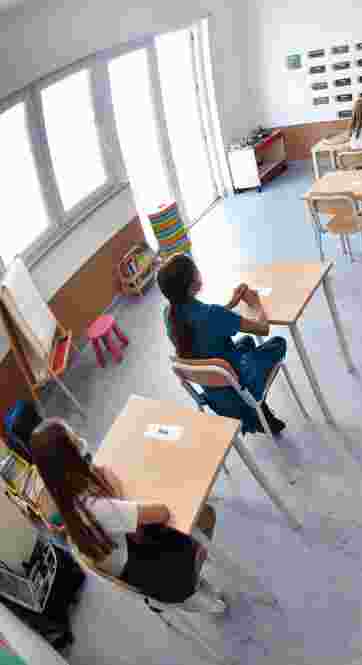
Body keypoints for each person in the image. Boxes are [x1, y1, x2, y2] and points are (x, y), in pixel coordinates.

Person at [31, 418, 225, 612]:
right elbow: (162, 512)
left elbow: (110, 495)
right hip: (160, 574)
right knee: (204, 515)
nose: (81, 441)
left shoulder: (64, 497)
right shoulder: (96, 507)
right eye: (75, 441)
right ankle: (197, 589)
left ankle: (195, 581)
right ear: (70, 458)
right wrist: (115, 489)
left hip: (131, 554)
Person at [158, 254, 287, 435]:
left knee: (247, 342)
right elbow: (263, 329)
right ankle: (258, 414)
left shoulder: (169, 314)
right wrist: (255, 302)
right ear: (191, 285)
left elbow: (207, 321)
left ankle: (262, 417)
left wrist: (231, 304)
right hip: (239, 391)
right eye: (195, 270)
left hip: (216, 395)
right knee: (278, 343)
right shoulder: (213, 314)